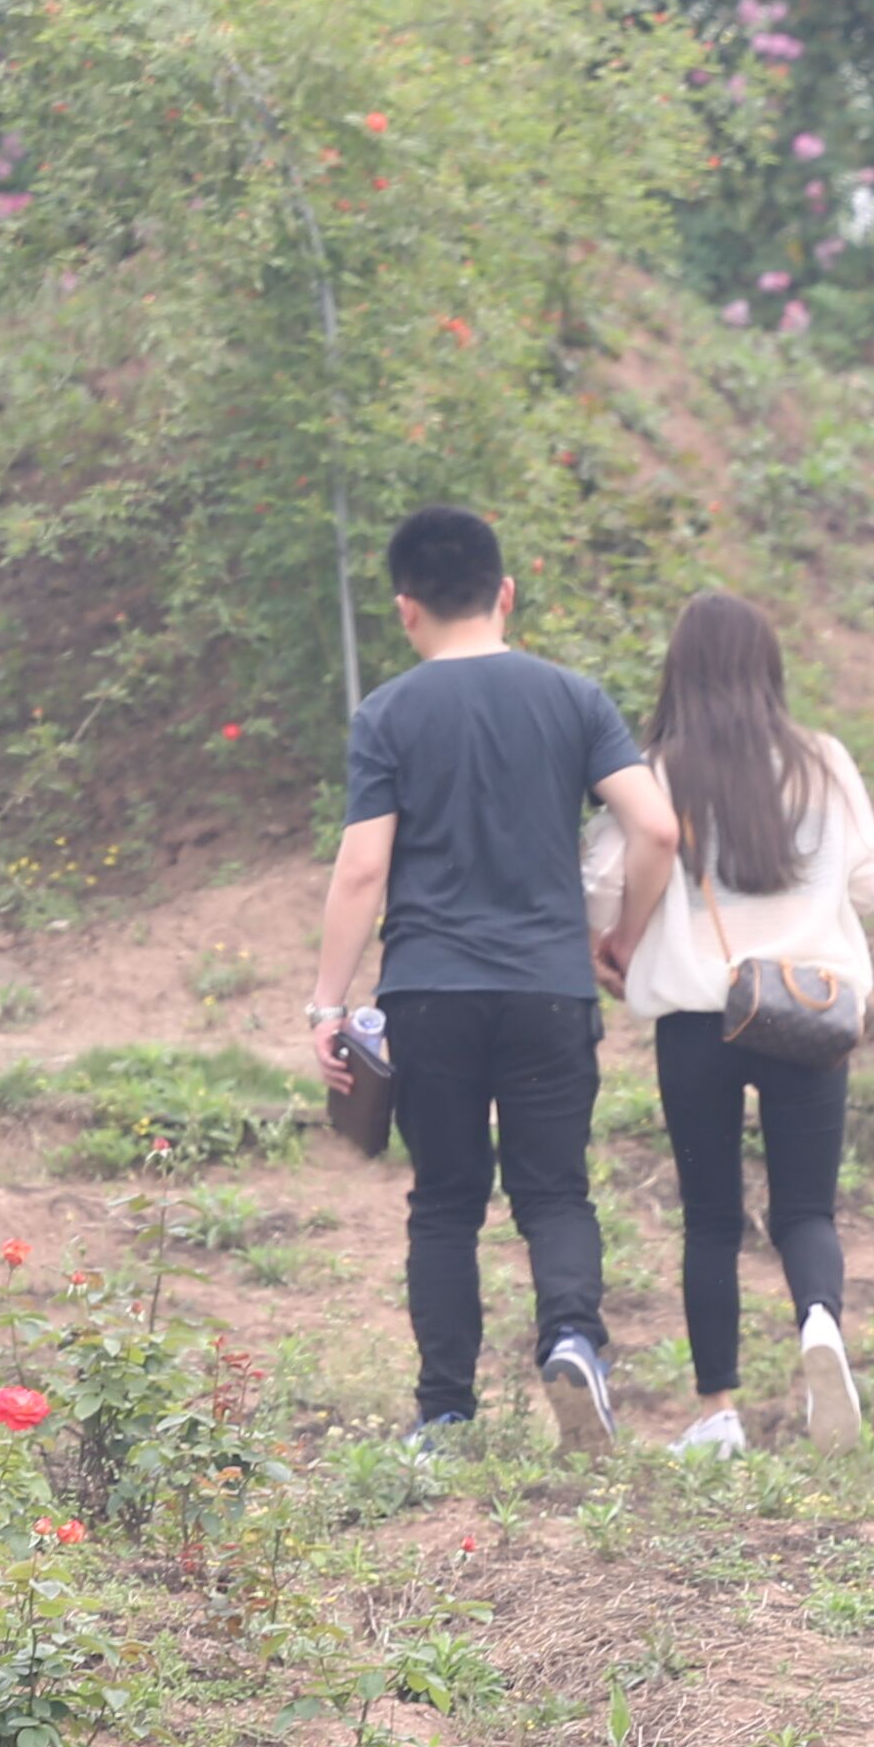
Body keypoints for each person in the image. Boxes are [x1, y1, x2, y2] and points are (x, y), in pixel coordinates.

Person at [309, 507, 680, 1450]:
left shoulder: (387, 712)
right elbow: (659, 829)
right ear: (505, 592)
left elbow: (361, 870)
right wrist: (624, 938)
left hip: (428, 991)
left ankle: (444, 1415)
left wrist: (327, 1003)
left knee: (444, 1200)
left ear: (405, 611)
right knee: (554, 1193)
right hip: (550, 988)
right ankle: (572, 1342)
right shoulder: (574, 698)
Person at [601, 591, 874, 1457]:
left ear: (678, 668)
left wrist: (617, 945)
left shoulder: (659, 770)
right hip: (811, 1012)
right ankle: (820, 1329)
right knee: (806, 1209)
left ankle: (718, 1410)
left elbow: (609, 882)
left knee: (711, 1218)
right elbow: (867, 884)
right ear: (769, 669)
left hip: (697, 1019)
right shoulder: (822, 762)